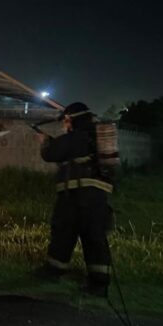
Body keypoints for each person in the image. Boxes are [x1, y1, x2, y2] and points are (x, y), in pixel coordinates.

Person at [35, 102, 113, 297]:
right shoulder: (92, 137)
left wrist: (44, 141)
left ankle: (54, 272)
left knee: (63, 231)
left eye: (66, 121)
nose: (65, 125)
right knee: (93, 237)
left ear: (72, 119)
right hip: (96, 198)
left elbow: (51, 153)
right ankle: (98, 283)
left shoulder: (75, 137)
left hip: (76, 196)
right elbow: (67, 152)